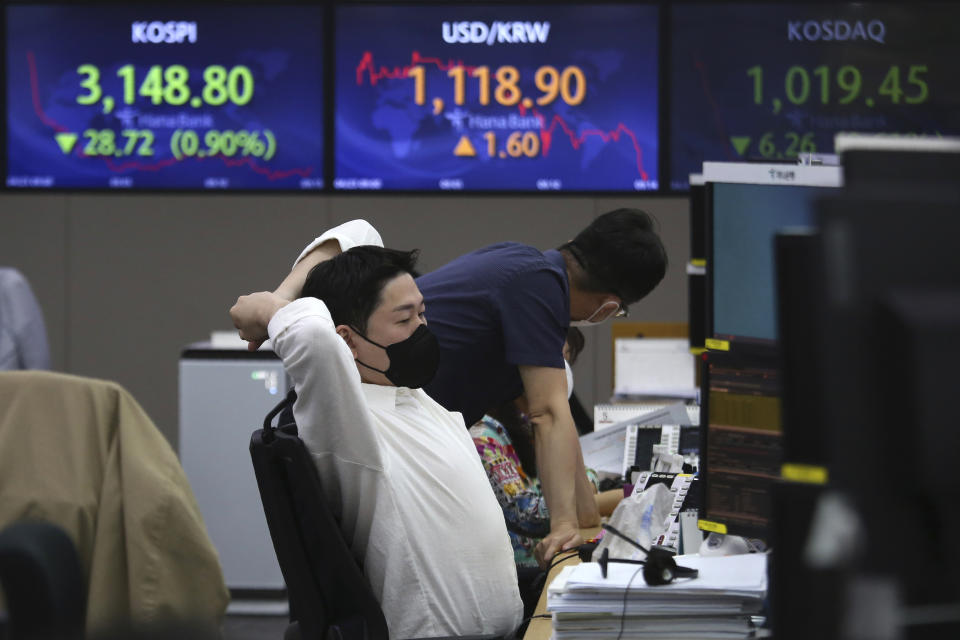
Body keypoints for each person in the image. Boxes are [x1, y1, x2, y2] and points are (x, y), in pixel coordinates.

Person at [262, 209, 668, 567]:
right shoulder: (542, 287)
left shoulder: (518, 260)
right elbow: (548, 414)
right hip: (387, 450)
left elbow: (555, 421)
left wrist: (583, 520)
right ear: (609, 307)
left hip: (398, 442)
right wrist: (565, 527)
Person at [230, 244, 523, 639]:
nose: (421, 329)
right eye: (404, 320)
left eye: (422, 312)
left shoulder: (414, 396)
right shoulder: (348, 423)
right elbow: (313, 336)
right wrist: (268, 309)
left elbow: (357, 233)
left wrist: (283, 295)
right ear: (347, 342)